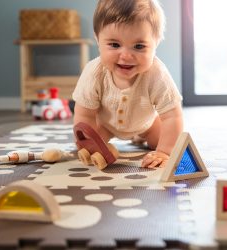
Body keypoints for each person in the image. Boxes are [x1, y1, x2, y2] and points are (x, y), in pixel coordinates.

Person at [72, 0, 183, 168]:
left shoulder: (157, 74)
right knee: (93, 145)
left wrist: (165, 152)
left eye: (138, 46)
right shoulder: (94, 72)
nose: (126, 56)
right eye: (114, 45)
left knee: (162, 142)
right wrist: (88, 141)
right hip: (106, 125)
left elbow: (172, 116)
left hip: (147, 124)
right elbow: (85, 115)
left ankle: (141, 137)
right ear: (98, 39)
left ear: (156, 44)